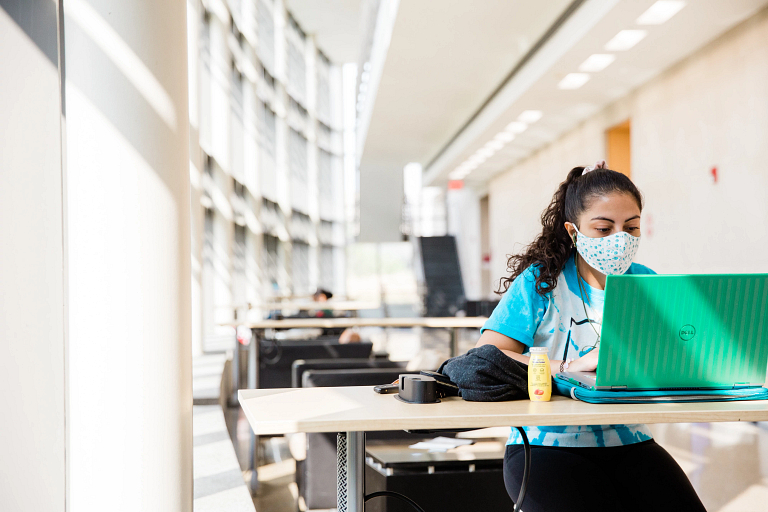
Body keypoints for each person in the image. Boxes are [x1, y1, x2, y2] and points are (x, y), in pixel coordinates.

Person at [476, 161, 706, 512]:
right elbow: (486, 357)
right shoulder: (541, 283)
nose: (620, 239)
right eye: (603, 228)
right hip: (546, 447)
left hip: (629, 442)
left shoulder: (647, 285)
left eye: (631, 228)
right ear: (573, 231)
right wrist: (569, 366)